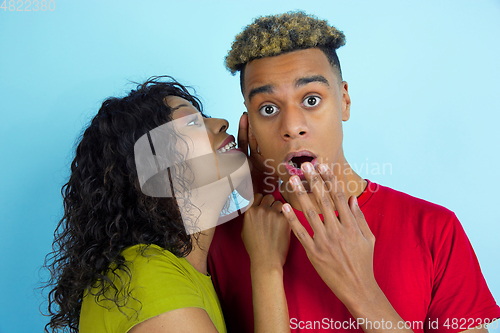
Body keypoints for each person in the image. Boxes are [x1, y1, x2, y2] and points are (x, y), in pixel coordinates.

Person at [208, 11, 500, 333]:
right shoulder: (223, 240)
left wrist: (361, 289)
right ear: (250, 124)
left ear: (344, 101)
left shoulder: (434, 230)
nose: (292, 127)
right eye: (268, 109)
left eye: (311, 99)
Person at [42, 76, 292, 333]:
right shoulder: (148, 278)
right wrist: (267, 269)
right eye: (193, 123)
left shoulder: (175, 273)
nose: (221, 123)